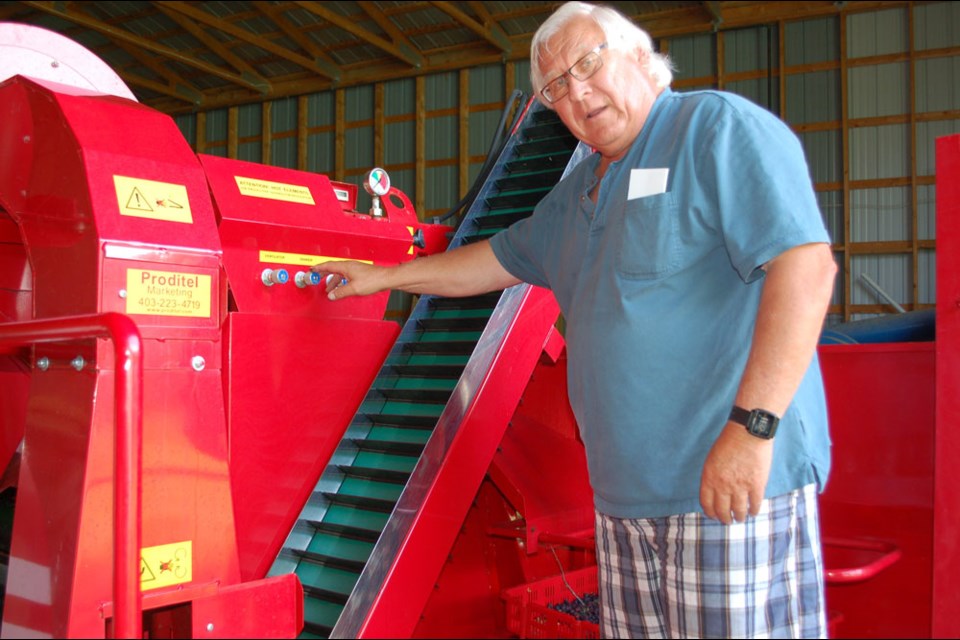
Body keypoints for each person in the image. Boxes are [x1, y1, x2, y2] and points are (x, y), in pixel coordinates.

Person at [313, 2, 837, 637]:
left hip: (723, 487)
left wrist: (752, 431)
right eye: (555, 87)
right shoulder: (576, 193)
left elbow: (805, 270)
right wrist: (385, 277)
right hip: (623, 501)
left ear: (642, 58)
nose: (577, 93)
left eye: (588, 64)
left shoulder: (714, 128)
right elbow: (492, 261)